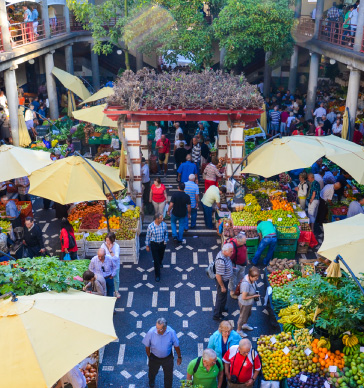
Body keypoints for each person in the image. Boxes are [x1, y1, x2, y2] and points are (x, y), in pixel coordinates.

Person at [142, 317, 182, 388]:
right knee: (152, 373)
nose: (157, 330)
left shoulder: (171, 332)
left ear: (165, 328)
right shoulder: (151, 332)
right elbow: (147, 346)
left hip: (168, 358)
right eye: (156, 327)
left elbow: (176, 345)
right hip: (154, 357)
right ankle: (151, 382)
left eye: (159, 329)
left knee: (168, 376)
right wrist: (149, 357)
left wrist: (179, 357)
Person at [236, 267, 260, 338]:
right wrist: (254, 296)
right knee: (242, 316)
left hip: (249, 303)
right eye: (255, 278)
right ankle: (239, 330)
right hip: (245, 303)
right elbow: (244, 297)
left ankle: (245, 325)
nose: (257, 279)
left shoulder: (249, 278)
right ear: (250, 276)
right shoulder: (245, 284)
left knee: (248, 314)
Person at [213, 243, 234, 322]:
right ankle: (217, 315)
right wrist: (222, 286)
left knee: (224, 295)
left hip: (225, 280)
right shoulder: (221, 261)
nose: (232, 253)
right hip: (222, 282)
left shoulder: (225, 255)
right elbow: (218, 276)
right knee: (220, 297)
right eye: (230, 252)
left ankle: (222, 307)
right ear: (225, 251)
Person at [146, 213, 168, 282]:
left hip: (162, 244)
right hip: (154, 244)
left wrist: (165, 242)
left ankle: (160, 262)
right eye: (161, 218)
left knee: (161, 256)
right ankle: (157, 275)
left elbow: (166, 233)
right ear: (156, 219)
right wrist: (147, 245)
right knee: (156, 260)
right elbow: (148, 236)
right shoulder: (150, 226)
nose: (162, 219)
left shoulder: (164, 225)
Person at [225, 232, 248, 300]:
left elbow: (245, 250)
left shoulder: (243, 243)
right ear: (239, 241)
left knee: (241, 277)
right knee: (233, 279)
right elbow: (229, 258)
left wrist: (246, 260)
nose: (245, 242)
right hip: (235, 265)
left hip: (242, 264)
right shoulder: (232, 246)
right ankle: (232, 291)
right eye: (244, 241)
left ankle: (239, 288)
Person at [101, 232, 120, 298]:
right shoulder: (103, 245)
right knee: (106, 277)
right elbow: (101, 253)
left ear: (113, 240)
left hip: (115, 265)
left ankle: (116, 291)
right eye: (106, 240)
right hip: (106, 265)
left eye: (108, 240)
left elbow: (116, 258)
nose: (107, 242)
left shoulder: (116, 246)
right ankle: (107, 291)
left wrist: (110, 250)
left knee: (116, 278)